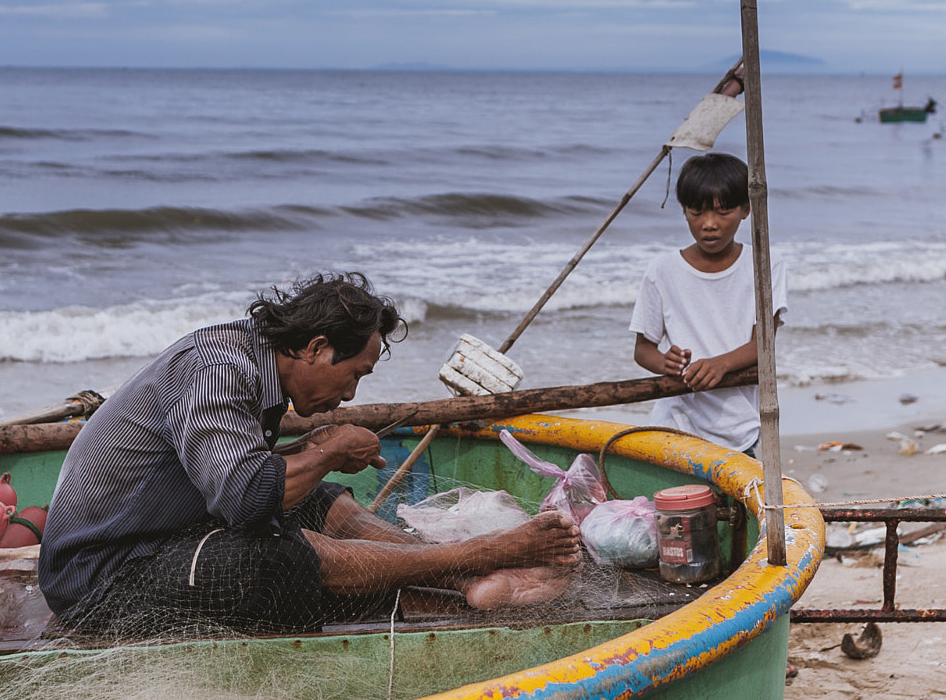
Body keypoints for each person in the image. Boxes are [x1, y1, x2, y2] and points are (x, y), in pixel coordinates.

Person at [38, 272, 580, 636]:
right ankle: (473, 558)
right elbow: (247, 498)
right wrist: (328, 447)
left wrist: (314, 452)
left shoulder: (252, 361)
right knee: (273, 557)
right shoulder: (219, 369)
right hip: (101, 578)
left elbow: (237, 476)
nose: (350, 396)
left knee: (315, 500)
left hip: (165, 531)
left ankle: (463, 584)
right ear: (317, 347)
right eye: (353, 376)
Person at [629, 152, 787, 454]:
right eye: (696, 213)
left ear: (745, 209)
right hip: (676, 422)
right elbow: (643, 349)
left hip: (739, 425)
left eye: (723, 212)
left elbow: (763, 344)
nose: (709, 224)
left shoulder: (765, 265)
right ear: (684, 211)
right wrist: (666, 362)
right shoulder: (662, 271)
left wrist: (720, 364)